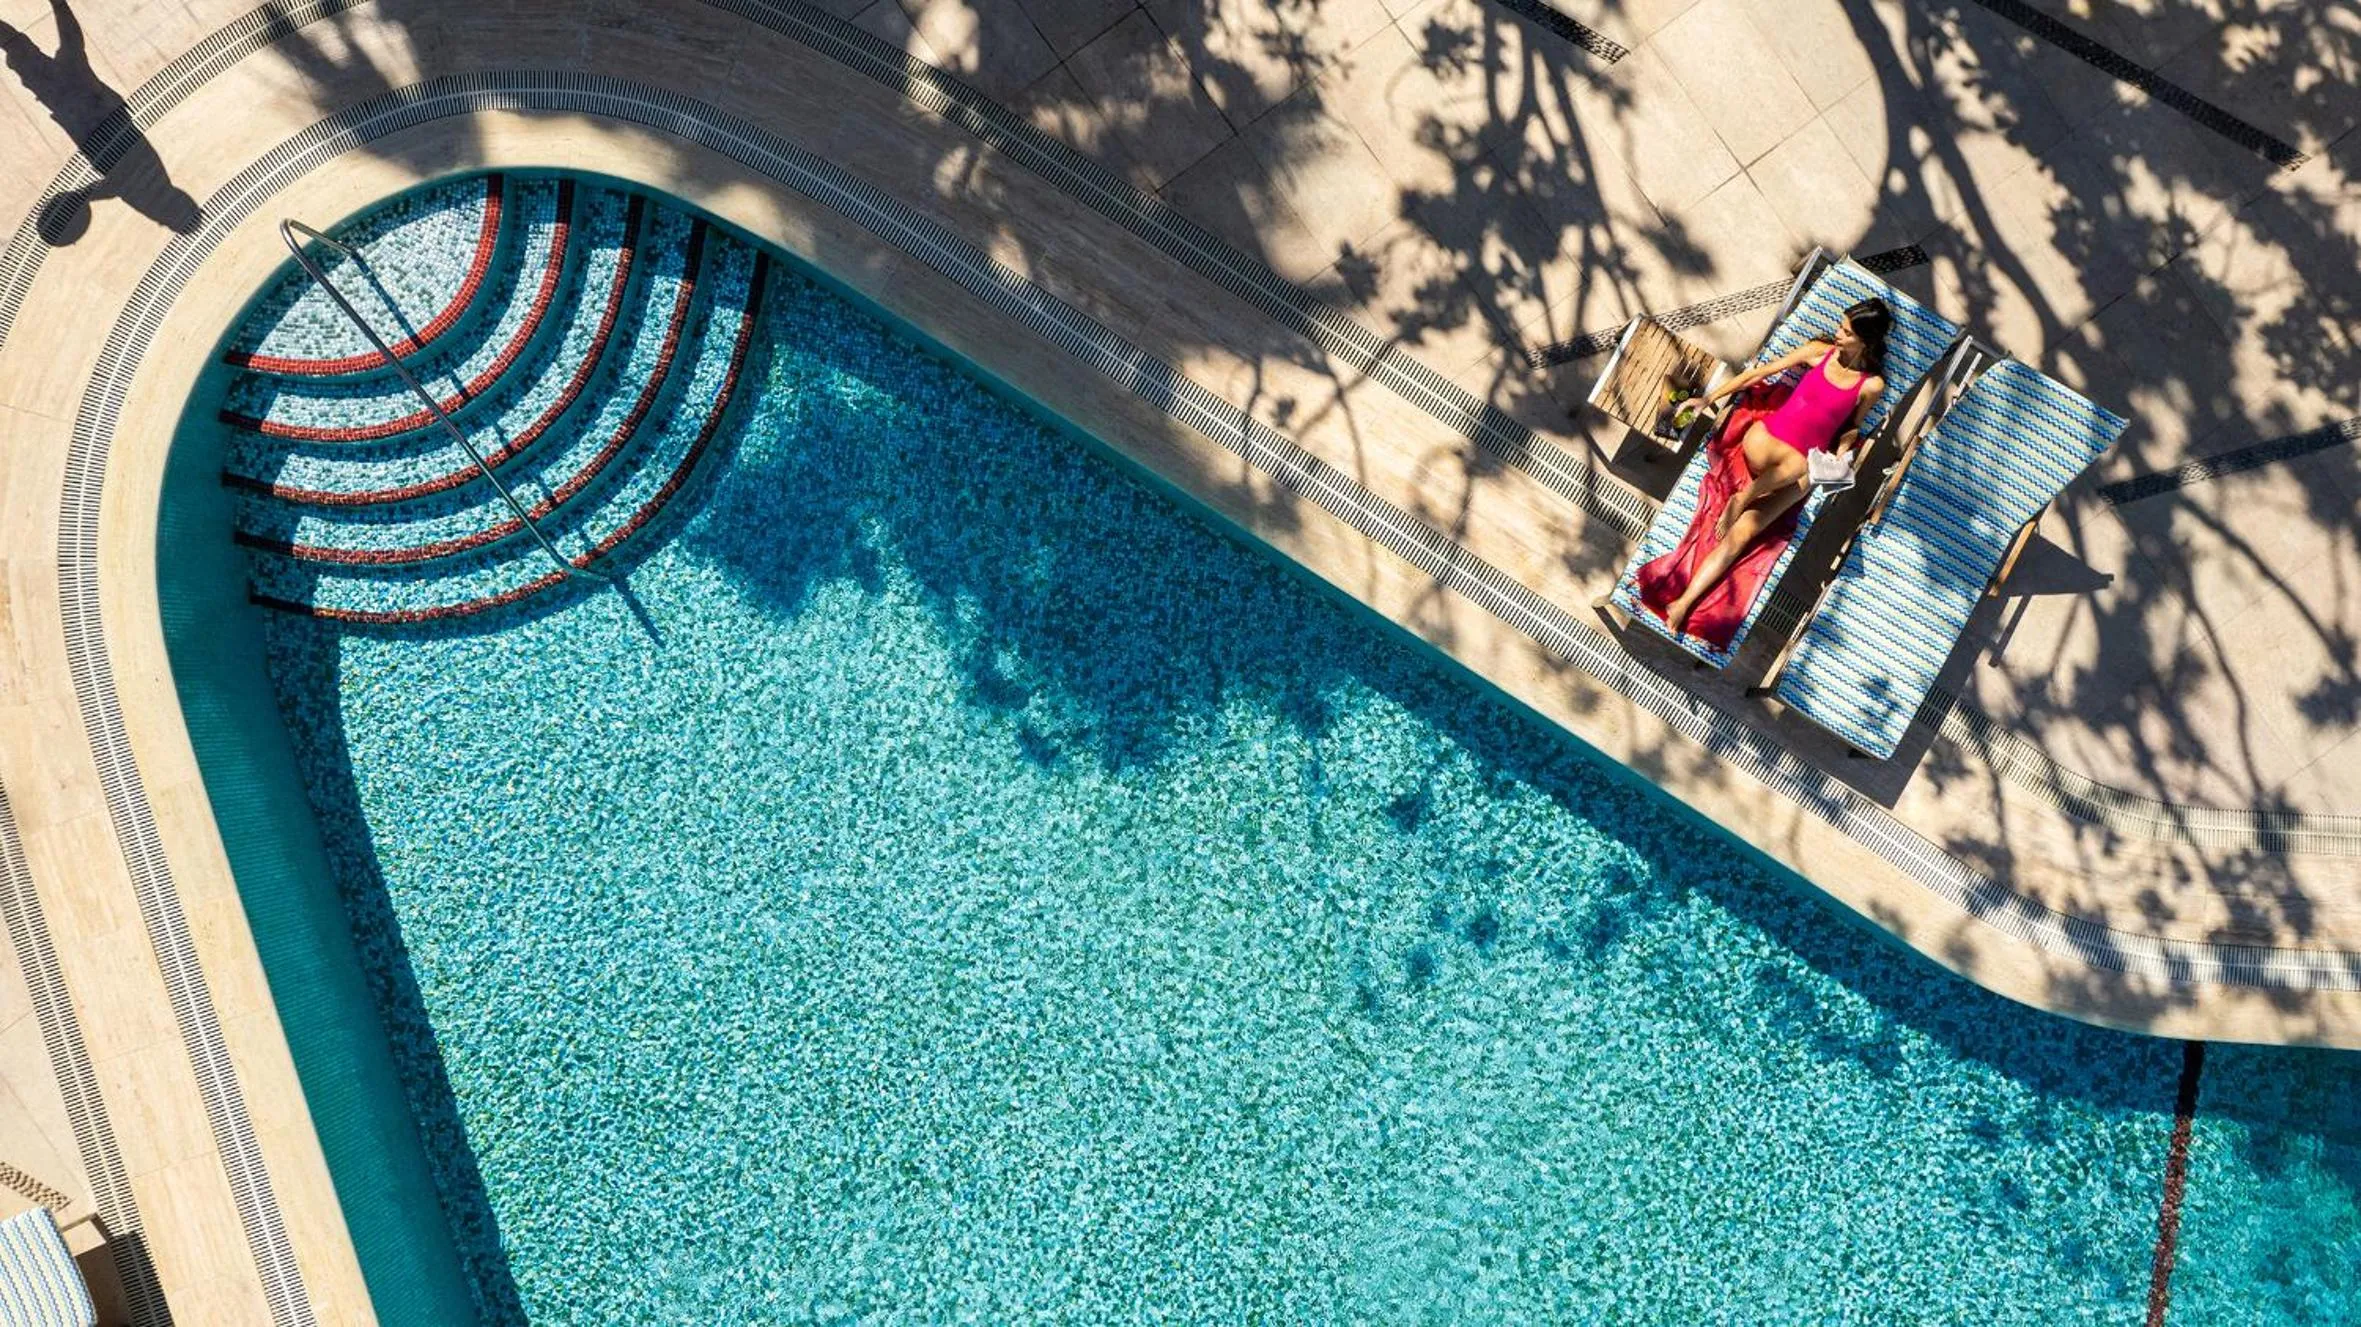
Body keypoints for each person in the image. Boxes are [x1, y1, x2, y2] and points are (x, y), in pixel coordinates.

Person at [1635, 299, 1892, 644]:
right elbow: (1761, 372)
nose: (1838, 332)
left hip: (1796, 469)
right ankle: (1744, 497)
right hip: (1765, 443)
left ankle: (1683, 604)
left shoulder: (1871, 385)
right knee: (1801, 464)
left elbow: (1852, 426)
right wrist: (1708, 400)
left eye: (1846, 332)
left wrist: (1843, 451)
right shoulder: (1820, 352)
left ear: (1867, 341)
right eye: (1841, 325)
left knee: (1745, 532)